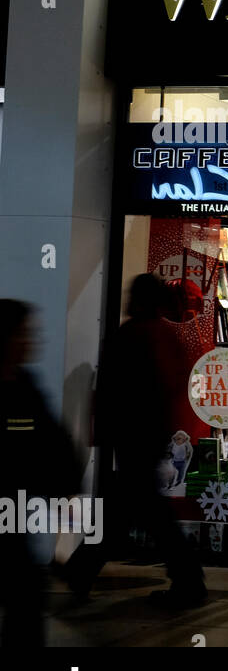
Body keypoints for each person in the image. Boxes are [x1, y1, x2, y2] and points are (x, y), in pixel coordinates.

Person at [65, 274, 207, 607]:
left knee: (137, 508)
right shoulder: (160, 335)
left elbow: (111, 389)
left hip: (131, 436)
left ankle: (83, 570)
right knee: (135, 507)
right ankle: (186, 579)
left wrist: (101, 430)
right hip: (148, 434)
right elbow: (175, 387)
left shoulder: (131, 334)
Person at [0, 300, 81, 646]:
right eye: (24, 334)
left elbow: (51, 441)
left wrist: (67, 485)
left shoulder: (24, 384)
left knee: (26, 600)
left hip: (13, 515)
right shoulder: (19, 387)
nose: (31, 341)